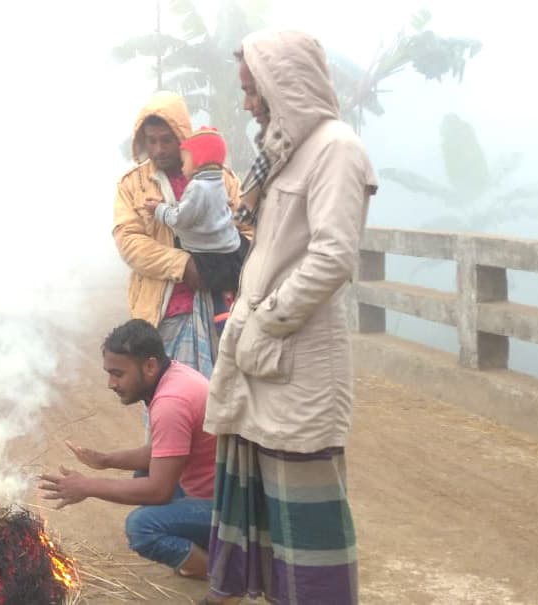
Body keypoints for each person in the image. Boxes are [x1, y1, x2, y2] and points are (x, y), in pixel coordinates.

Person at [201, 30, 378, 605]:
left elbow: (332, 258)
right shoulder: (285, 154)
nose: (249, 103)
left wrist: (266, 320)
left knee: (307, 519)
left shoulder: (336, 149)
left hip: (297, 358)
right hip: (264, 356)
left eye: (254, 91)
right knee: (271, 516)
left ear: (285, 86)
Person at [38, 319, 217, 578]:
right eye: (109, 373)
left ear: (150, 366)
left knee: (141, 528)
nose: (111, 383)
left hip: (225, 507)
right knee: (143, 473)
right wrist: (106, 460)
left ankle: (224, 577)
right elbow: (161, 452)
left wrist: (88, 486)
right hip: (217, 492)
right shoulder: (174, 375)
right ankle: (208, 547)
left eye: (118, 374)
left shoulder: (171, 403)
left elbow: (158, 490)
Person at [112, 92, 249, 377]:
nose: (159, 149)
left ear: (182, 138)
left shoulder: (222, 179)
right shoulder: (131, 185)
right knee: (171, 407)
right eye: (151, 140)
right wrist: (185, 266)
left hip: (222, 310)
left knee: (223, 407)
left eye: (166, 140)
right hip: (165, 318)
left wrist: (221, 264)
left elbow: (248, 228)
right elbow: (129, 241)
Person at [143, 126, 249, 298]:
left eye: (184, 162)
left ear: (198, 161)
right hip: (231, 248)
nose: (182, 167)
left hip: (207, 256)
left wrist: (159, 210)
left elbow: (180, 219)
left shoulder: (196, 186)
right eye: (151, 141)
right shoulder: (220, 181)